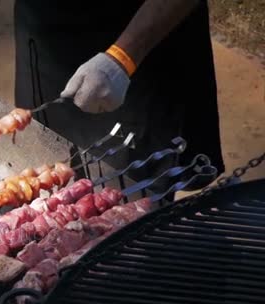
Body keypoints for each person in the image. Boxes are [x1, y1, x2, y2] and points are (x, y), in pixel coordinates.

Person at [14, 0, 225, 190]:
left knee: (122, 199)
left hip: (133, 49)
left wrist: (122, 58)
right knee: (41, 165)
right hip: (44, 36)